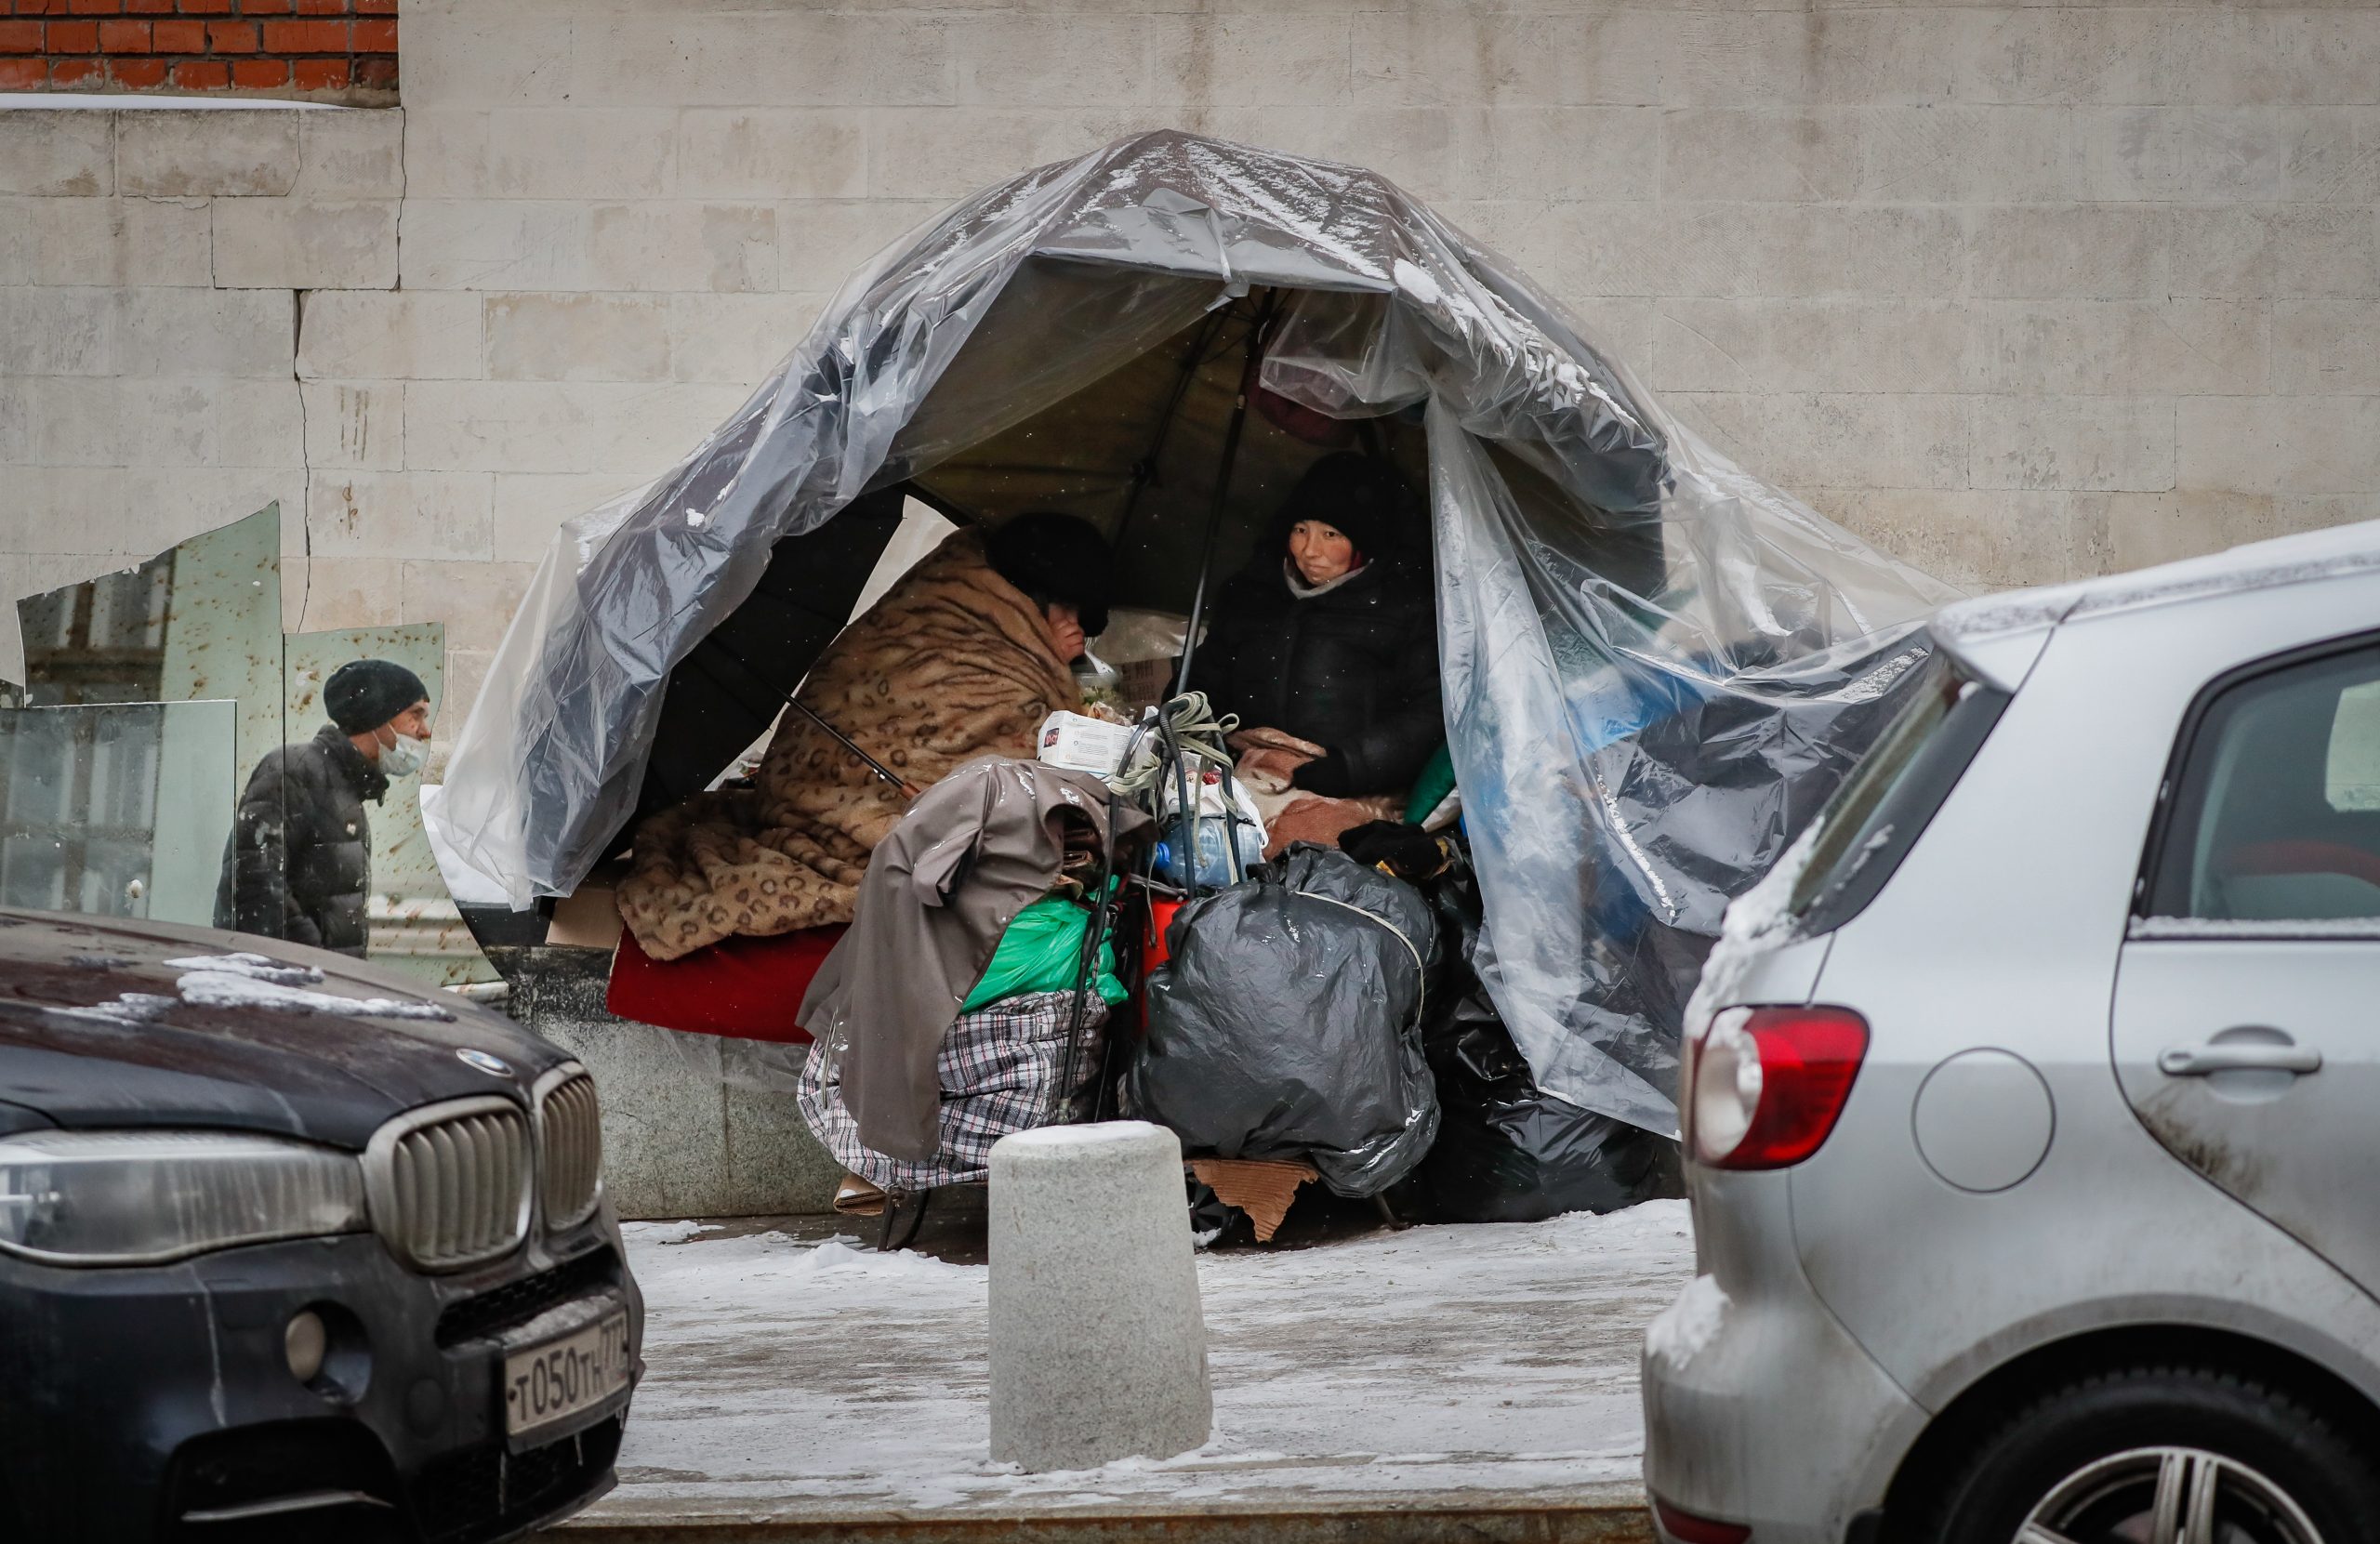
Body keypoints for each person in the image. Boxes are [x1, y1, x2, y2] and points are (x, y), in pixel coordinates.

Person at [616, 512, 1115, 961]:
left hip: (800, 802)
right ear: (1028, 601)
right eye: (1065, 613)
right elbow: (1026, 778)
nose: (1073, 631)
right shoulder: (964, 647)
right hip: (839, 816)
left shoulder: (949, 610)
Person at [1194, 453, 1441, 802]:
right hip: (1245, 768)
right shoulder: (1251, 594)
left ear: (1363, 545)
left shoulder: (1405, 608)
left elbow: (1432, 711)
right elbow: (1207, 679)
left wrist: (1353, 766)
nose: (1310, 550)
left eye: (1330, 534)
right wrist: (1185, 725)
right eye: (1300, 530)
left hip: (1353, 788)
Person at [214, 658, 432, 957]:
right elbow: (254, 886)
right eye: (416, 715)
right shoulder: (295, 771)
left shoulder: (345, 787)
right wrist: (316, 964)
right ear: (377, 714)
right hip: (295, 986)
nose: (425, 731)